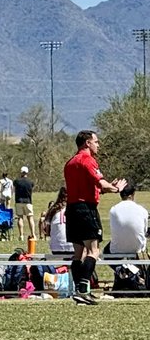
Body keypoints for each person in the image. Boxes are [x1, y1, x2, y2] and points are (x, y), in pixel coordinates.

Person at [64, 130, 126, 305]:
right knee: (93, 250)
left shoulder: (70, 163)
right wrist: (116, 189)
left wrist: (106, 188)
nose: (98, 145)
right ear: (87, 143)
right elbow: (100, 182)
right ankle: (83, 290)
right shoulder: (87, 160)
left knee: (78, 253)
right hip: (86, 209)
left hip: (72, 208)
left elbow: (91, 188)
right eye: (96, 142)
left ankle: (78, 290)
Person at [107, 184, 147, 258]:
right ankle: (133, 268)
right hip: (138, 248)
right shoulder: (142, 210)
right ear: (133, 195)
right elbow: (144, 231)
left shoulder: (113, 209)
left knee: (106, 251)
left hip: (117, 249)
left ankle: (120, 268)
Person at [41, 187, 70, 256]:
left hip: (55, 248)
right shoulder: (75, 208)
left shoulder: (53, 209)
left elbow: (47, 232)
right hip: (72, 248)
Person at [14, 166, 36, 242]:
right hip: (28, 201)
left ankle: (21, 235)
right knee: (30, 218)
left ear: (21, 172)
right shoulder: (30, 182)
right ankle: (33, 234)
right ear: (27, 172)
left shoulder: (16, 181)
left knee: (20, 218)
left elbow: (14, 187)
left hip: (19, 201)